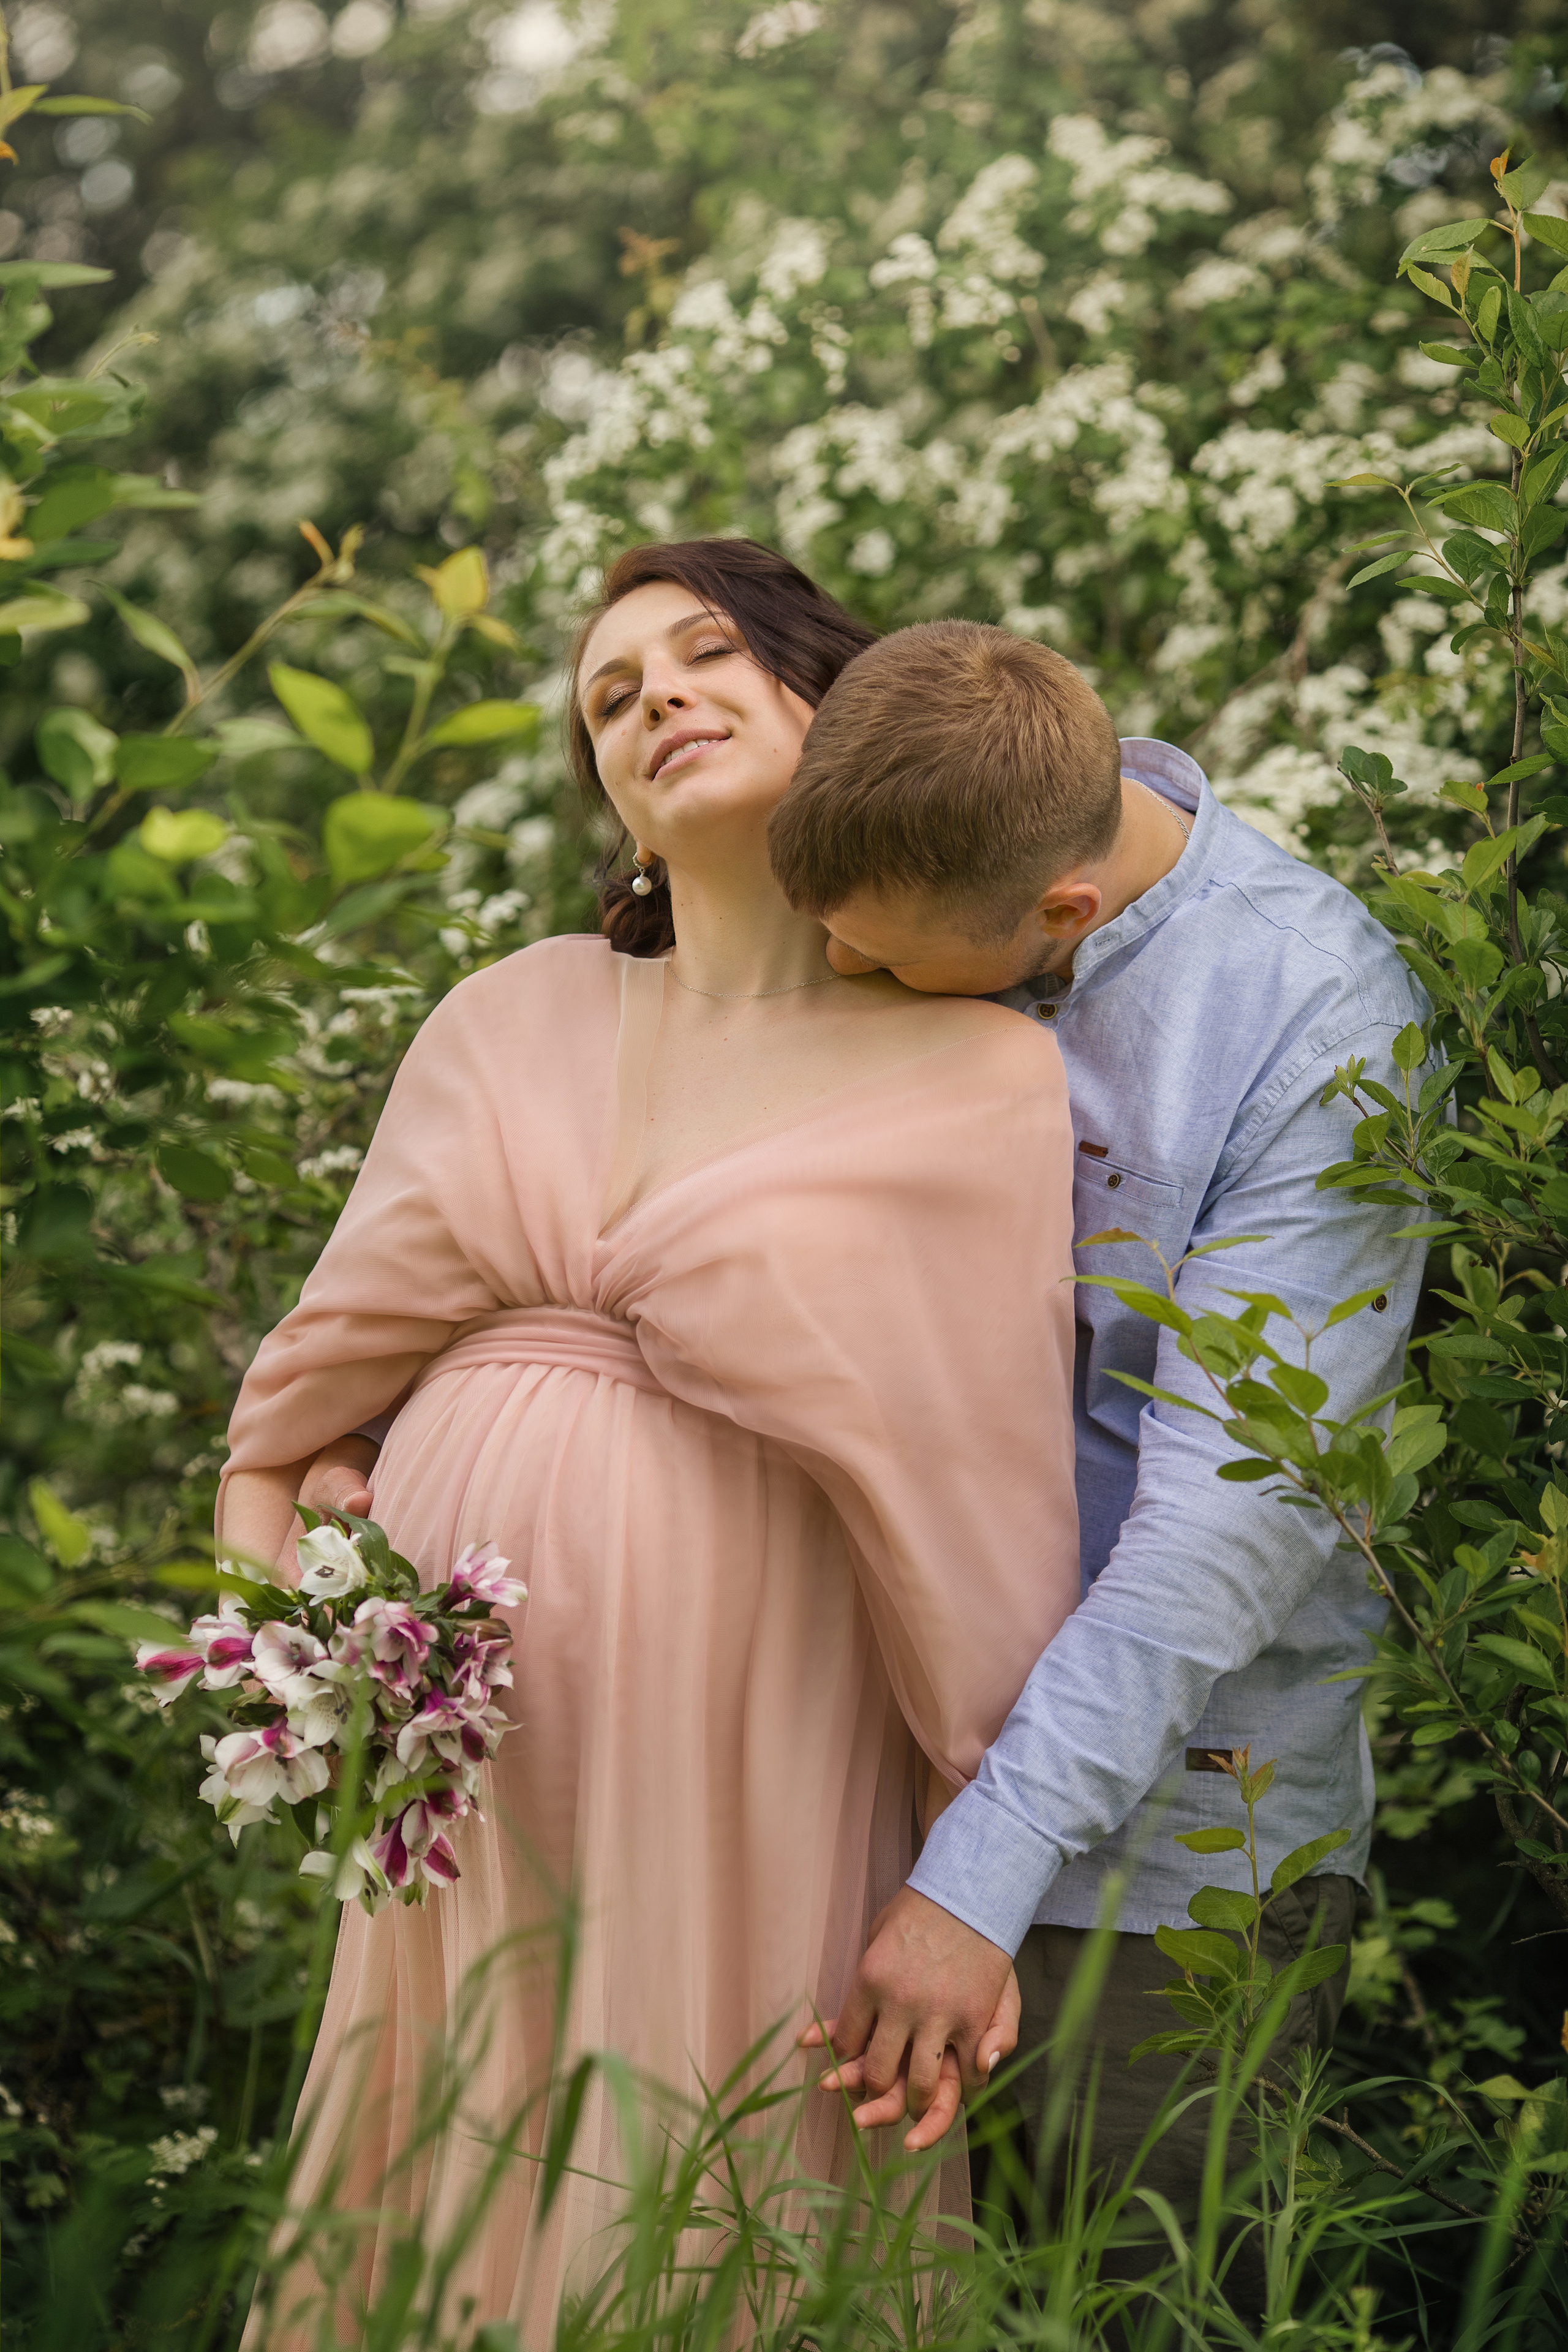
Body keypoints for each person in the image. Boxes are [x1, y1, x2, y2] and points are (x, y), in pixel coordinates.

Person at [217, 540, 1082, 2341]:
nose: (655, 700)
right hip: (474, 1775)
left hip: (764, 1736)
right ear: (611, 798)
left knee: (714, 2161)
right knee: (457, 2168)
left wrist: (976, 1879)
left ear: (825, 705)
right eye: (611, 699)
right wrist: (322, 1634)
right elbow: (294, 1418)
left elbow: (982, 1496)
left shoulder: (979, 1074)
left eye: (706, 657)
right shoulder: (510, 1015)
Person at [765, 619, 1427, 2289]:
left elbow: (1226, 1535)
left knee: (1141, 2305)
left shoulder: (1313, 1021)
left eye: (883, 958)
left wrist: (979, 1881)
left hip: (1154, 1868)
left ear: (1062, 911)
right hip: (870, 1796)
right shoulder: (955, 827)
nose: (840, 979)